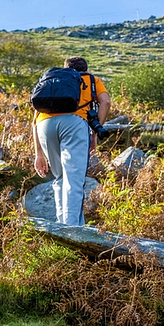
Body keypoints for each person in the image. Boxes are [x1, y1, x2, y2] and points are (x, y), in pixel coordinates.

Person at [33, 56, 111, 226]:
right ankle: (72, 231)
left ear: (65, 68)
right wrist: (95, 132)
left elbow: (35, 118)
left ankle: (63, 225)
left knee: (59, 178)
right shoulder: (91, 80)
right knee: (74, 179)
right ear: (86, 68)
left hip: (44, 126)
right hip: (74, 124)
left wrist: (38, 153)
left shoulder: (53, 80)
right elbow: (105, 102)